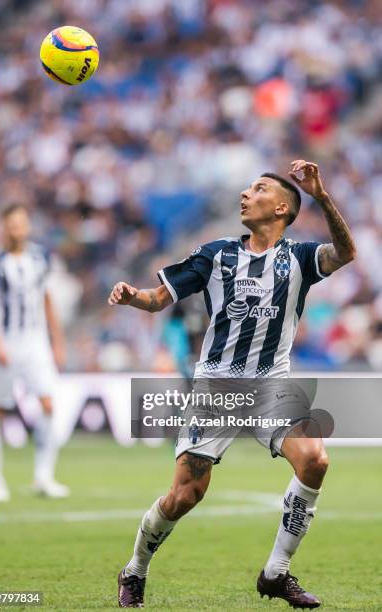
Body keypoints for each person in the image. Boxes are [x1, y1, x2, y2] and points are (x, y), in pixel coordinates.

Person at [109, 161, 356, 608]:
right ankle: (135, 569)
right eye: (246, 188)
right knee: (186, 495)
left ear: (281, 207)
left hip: (271, 386)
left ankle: (276, 573)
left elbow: (345, 253)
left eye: (258, 189)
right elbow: (158, 300)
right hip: (217, 387)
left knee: (315, 460)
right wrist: (132, 297)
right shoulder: (216, 253)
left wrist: (321, 195)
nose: (245, 194)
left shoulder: (299, 258)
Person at [0, 204, 69, 501]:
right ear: (4, 227)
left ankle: (43, 476)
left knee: (48, 404)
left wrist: (57, 341)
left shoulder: (40, 257)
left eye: (21, 224)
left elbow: (47, 298)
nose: (17, 230)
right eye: (11, 225)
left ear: (28, 226)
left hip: (35, 342)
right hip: (3, 342)